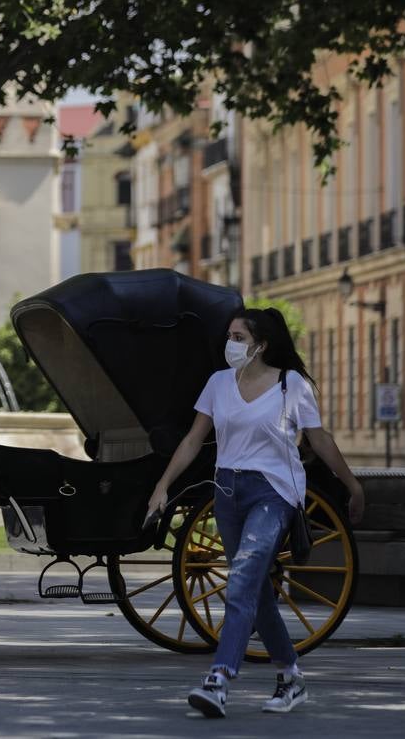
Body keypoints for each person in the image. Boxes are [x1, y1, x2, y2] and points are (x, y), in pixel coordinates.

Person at [146, 307, 364, 718]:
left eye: (239, 337)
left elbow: (319, 439)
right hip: (227, 491)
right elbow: (194, 440)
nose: (230, 344)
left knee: (243, 578)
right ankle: (291, 678)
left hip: (274, 492)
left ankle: (219, 678)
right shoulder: (218, 383)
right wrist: (162, 485)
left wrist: (352, 485)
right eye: (229, 335)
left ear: (261, 345)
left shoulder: (291, 385)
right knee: (257, 591)